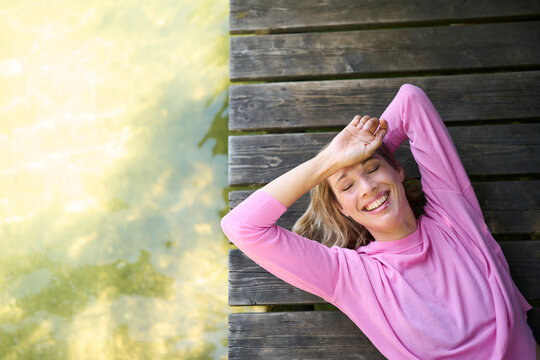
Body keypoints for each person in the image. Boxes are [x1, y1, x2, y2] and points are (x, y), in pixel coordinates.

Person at [221, 84, 538, 359]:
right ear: (343, 209)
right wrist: (328, 161)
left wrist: (359, 149)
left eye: (373, 168)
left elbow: (410, 101)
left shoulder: (453, 213)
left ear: (398, 171)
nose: (368, 187)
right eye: (347, 186)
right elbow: (241, 227)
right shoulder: (351, 276)